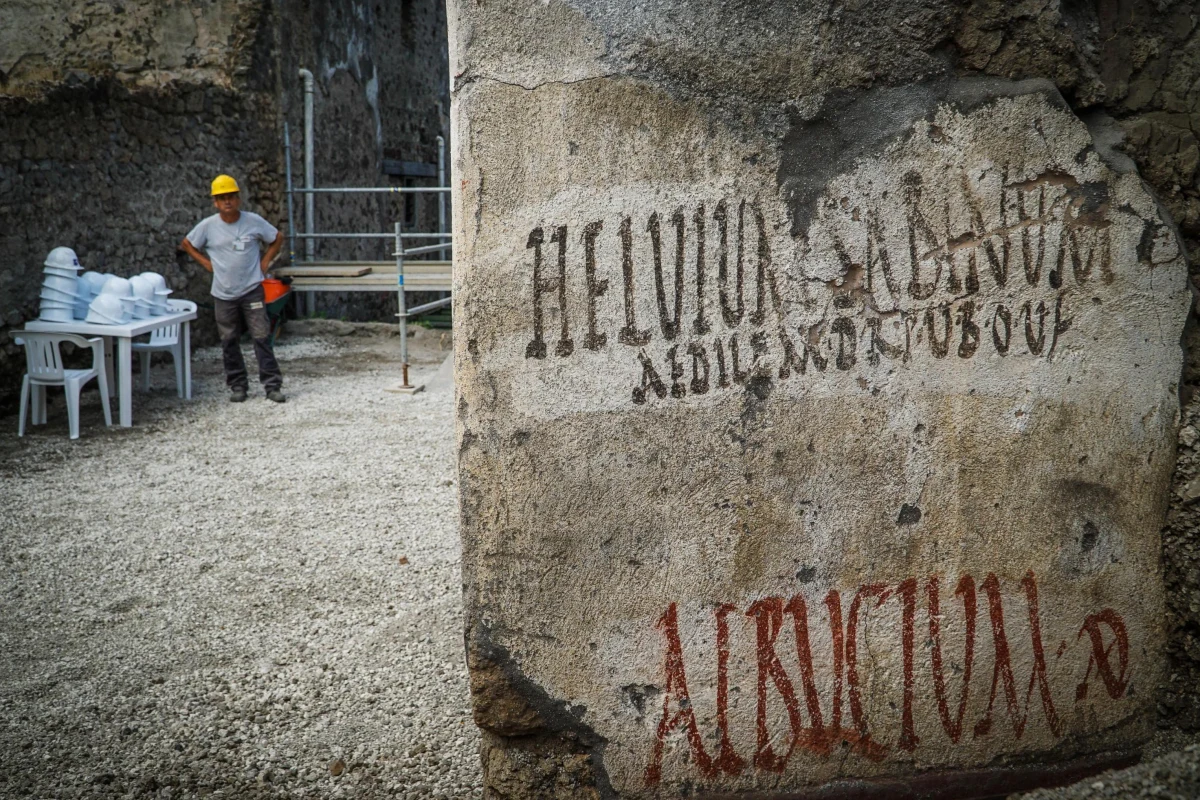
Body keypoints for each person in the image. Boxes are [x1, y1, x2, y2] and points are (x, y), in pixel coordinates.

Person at [181, 174, 287, 403]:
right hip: (223, 293)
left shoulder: (253, 221)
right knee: (229, 340)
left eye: (230, 197)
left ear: (238, 199)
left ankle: (272, 385)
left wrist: (266, 260)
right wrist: (205, 263)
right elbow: (187, 244)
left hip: (251, 289)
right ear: (215, 203)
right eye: (221, 198)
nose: (227, 201)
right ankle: (238, 385)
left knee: (261, 337)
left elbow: (277, 237)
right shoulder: (208, 227)